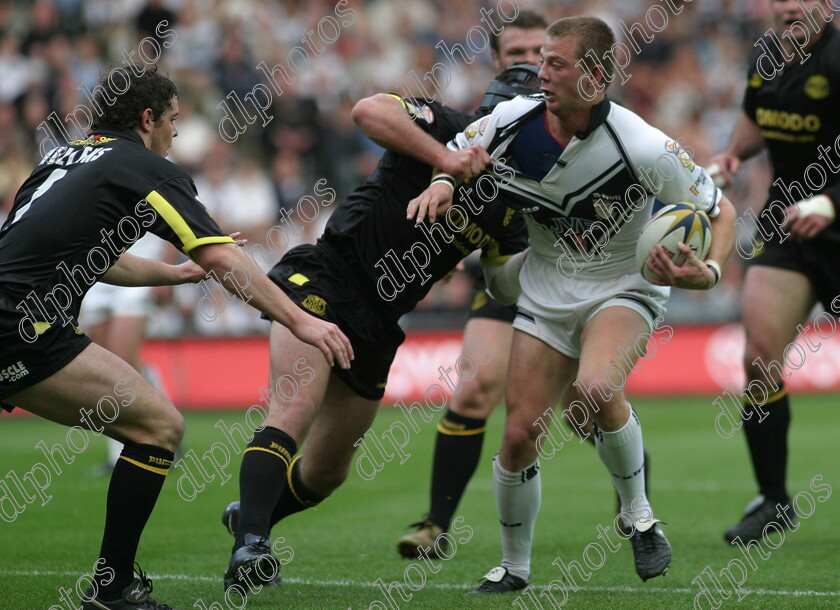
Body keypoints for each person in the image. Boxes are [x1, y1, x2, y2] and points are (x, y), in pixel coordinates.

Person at [0, 67, 352, 610]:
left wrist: (175, 274)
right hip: (24, 329)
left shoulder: (63, 157)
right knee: (159, 426)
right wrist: (299, 320)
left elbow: (98, 259)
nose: (176, 134)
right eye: (173, 121)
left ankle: (114, 585)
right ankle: (113, 587)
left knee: (151, 424)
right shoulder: (144, 166)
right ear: (148, 119)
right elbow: (220, 253)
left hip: (14, 319)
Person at [409, 16, 736, 590]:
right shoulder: (514, 120)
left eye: (556, 63)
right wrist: (441, 182)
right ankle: (515, 567)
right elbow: (458, 149)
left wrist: (707, 272)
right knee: (517, 435)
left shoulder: (643, 145)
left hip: (624, 286)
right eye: (542, 62)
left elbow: (720, 211)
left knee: (595, 389)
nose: (542, 72)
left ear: (596, 76)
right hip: (546, 288)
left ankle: (639, 517)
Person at [220, 65, 541, 592]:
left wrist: (544, 263)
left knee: (326, 473)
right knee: (294, 407)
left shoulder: (513, 200)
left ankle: (252, 518)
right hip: (326, 277)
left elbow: (504, 286)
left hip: (381, 320)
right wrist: (444, 159)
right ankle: (251, 547)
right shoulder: (449, 126)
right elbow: (368, 110)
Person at [395, 9, 548, 560]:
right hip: (507, 274)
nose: (530, 65)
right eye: (517, 55)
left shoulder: (588, 119)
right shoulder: (483, 126)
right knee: (477, 386)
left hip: (573, 280)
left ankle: (636, 511)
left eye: (540, 54)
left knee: (594, 400)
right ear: (496, 62)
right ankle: (437, 524)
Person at [707, 0, 840, 545]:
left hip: (834, 218)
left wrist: (830, 202)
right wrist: (730, 156)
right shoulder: (766, 54)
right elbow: (755, 119)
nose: (788, 5)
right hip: (787, 220)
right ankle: (774, 501)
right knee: (759, 357)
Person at [80, 233, 175, 476]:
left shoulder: (158, 192)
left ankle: (145, 440)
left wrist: (166, 275)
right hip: (100, 269)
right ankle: (163, 425)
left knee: (122, 363)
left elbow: (175, 224)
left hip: (144, 268)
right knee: (105, 368)